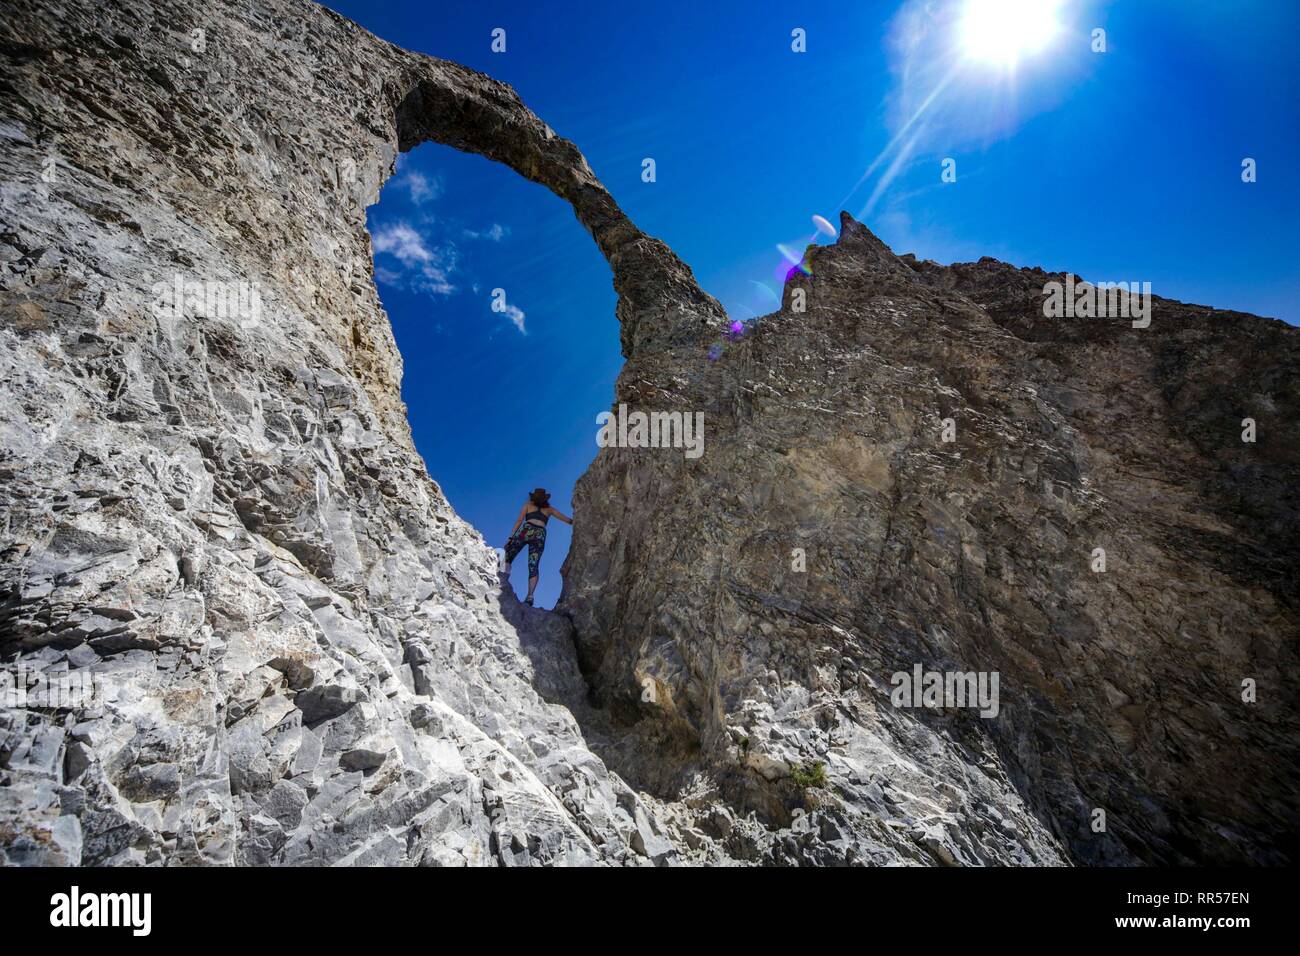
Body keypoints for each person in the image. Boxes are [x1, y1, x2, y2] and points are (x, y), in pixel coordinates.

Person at [502, 488, 572, 605]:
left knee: (509, 555)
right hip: (540, 535)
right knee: (533, 565)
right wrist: (575, 521)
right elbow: (564, 518)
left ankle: (502, 578)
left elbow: (519, 521)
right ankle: (530, 596)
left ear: (533, 497)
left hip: (525, 531)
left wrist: (510, 537)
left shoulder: (528, 505)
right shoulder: (549, 509)